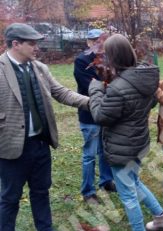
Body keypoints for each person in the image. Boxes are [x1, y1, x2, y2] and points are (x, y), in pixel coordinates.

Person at [0, 23, 89, 231]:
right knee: (10, 199)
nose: (36, 48)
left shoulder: (39, 68)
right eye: (31, 43)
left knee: (41, 193)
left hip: (40, 145)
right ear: (16, 44)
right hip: (11, 149)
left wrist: (91, 102)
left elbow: (61, 92)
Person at [88, 34, 163, 231]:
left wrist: (96, 90)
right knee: (134, 182)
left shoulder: (117, 88)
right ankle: (160, 216)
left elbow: (100, 116)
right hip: (138, 143)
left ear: (113, 57)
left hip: (122, 148)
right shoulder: (145, 78)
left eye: (106, 54)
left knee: (128, 195)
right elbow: (153, 102)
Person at [73, 28, 116, 204]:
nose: (97, 44)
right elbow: (90, 86)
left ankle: (106, 181)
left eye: (100, 40)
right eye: (93, 41)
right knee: (90, 154)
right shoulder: (81, 61)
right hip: (89, 114)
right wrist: (109, 88)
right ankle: (88, 191)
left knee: (105, 150)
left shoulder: (108, 59)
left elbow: (112, 82)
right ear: (88, 43)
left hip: (105, 113)